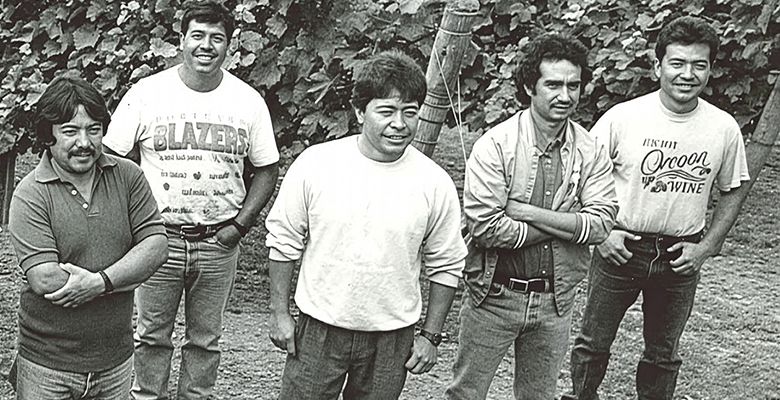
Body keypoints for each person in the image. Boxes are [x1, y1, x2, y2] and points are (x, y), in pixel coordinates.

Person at [264, 49, 468, 399]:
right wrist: (279, 312)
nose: (399, 124)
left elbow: (447, 263)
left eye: (410, 112)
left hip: (392, 336)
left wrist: (431, 335)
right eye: (386, 111)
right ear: (360, 112)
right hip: (320, 329)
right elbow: (283, 240)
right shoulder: (317, 164)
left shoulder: (434, 182)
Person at [566, 16, 751, 400]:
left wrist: (706, 247)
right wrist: (604, 234)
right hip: (622, 247)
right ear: (658, 66)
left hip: (679, 255)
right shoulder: (624, 117)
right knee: (592, 344)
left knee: (663, 354)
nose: (687, 74)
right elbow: (579, 174)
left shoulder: (722, 127)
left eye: (699, 65)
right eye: (677, 63)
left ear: (710, 69)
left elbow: (734, 188)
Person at [102, 1, 280, 398]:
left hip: (218, 241)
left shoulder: (247, 101)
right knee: (150, 335)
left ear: (229, 46)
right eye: (197, 35)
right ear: (181, 40)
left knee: (205, 340)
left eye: (217, 38)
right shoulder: (148, 94)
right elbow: (112, 158)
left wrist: (239, 226)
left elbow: (267, 168)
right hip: (157, 240)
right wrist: (134, 221)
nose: (206, 46)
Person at [446, 33, 619, 400]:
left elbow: (602, 223)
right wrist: (567, 223)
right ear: (529, 86)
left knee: (539, 397)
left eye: (574, 85)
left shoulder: (590, 149)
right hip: (493, 294)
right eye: (553, 84)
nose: (565, 96)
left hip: (555, 300)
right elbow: (485, 227)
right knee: (466, 394)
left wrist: (526, 212)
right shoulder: (496, 145)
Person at [7, 76, 168, 399]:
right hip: (47, 367)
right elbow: (45, 279)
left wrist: (101, 281)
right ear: (47, 135)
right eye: (70, 131)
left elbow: (157, 246)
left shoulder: (128, 177)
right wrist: (126, 272)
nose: (84, 142)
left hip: (115, 362)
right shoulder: (30, 194)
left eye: (93, 129)